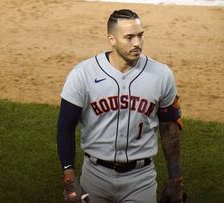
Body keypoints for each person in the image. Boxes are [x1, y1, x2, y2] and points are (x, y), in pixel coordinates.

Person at [57, 9, 185, 203]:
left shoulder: (161, 75)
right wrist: (69, 177)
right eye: (129, 37)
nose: (137, 43)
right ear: (112, 39)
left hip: (141, 180)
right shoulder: (82, 74)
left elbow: (169, 127)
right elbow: (65, 126)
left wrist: (175, 178)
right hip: (95, 177)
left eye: (140, 35)